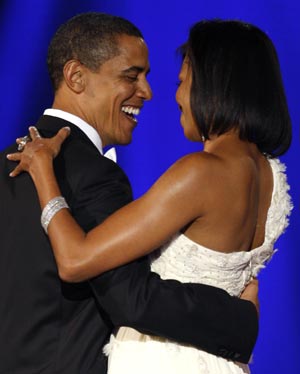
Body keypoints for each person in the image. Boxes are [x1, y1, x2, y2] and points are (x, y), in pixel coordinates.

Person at [7, 18, 292, 374]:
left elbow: (79, 261)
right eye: (132, 76)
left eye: (182, 82)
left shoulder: (201, 171)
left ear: (217, 86)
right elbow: (129, 293)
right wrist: (240, 321)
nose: (168, 95)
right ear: (76, 76)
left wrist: (45, 173)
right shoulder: (271, 176)